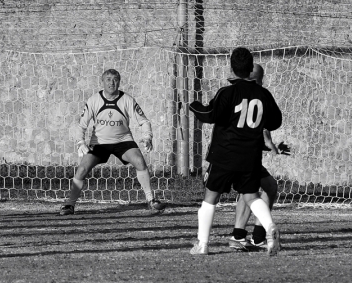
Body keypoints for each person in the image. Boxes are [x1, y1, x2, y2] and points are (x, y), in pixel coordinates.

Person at [188, 48, 283, 256]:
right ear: (251, 69)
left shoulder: (227, 92)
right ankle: (269, 228)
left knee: (210, 198)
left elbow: (210, 114)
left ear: (232, 68)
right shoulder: (264, 95)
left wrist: (193, 106)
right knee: (251, 196)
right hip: (250, 156)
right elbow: (276, 121)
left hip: (224, 154)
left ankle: (202, 245)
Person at [59, 69, 165, 216]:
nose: (111, 82)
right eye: (108, 79)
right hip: (99, 142)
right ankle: (69, 205)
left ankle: (151, 200)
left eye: (115, 79)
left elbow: (144, 121)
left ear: (119, 82)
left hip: (123, 140)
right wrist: (80, 142)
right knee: (82, 168)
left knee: (139, 161)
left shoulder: (127, 100)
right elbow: (81, 124)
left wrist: (147, 137)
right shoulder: (93, 100)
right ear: (102, 82)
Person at [228, 64, 291, 251]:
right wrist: (269, 143)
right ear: (255, 79)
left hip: (241, 153)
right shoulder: (256, 97)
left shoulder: (243, 96)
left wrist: (273, 145)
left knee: (265, 187)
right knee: (251, 191)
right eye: (261, 79)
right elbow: (254, 129)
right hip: (240, 155)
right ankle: (241, 236)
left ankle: (251, 236)